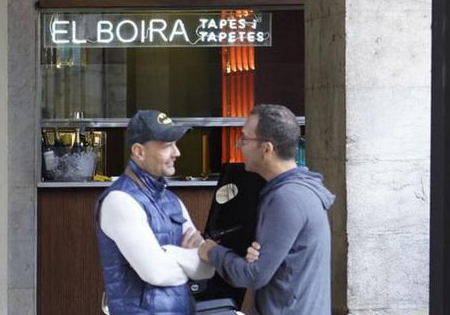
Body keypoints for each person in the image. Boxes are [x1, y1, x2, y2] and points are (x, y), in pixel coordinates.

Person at [198, 104, 335, 315]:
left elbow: (253, 275)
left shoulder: (287, 199)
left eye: (244, 139)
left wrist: (211, 251)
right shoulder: (296, 191)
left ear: (267, 148)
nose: (238, 145)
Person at [96, 110, 215, 315]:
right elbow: (157, 273)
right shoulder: (120, 201)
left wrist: (167, 253)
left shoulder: (172, 201)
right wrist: (188, 257)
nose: (176, 153)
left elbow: (207, 268)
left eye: (175, 144)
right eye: (167, 145)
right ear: (139, 152)